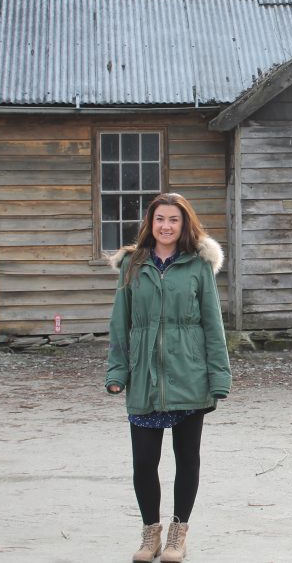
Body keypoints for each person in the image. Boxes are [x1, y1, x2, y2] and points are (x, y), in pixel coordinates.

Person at [105, 192, 230, 563]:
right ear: (150, 222)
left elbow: (213, 324)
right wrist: (117, 371)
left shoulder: (197, 266)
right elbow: (120, 323)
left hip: (190, 375)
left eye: (174, 219)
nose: (166, 226)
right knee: (144, 462)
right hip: (145, 377)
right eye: (160, 218)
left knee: (186, 458)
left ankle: (178, 533)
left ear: (184, 224)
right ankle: (150, 535)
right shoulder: (133, 263)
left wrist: (218, 376)